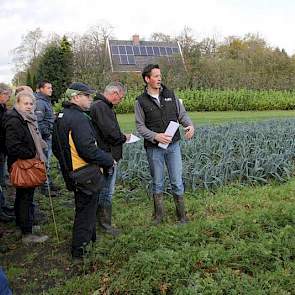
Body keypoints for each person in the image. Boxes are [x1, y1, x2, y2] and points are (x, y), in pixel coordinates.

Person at [52, 82, 114, 259]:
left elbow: (57, 148)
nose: (90, 99)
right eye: (87, 96)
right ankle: (80, 252)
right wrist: (108, 160)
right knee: (86, 212)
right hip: (84, 173)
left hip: (72, 173)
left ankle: (90, 240)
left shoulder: (62, 116)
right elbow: (88, 149)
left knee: (85, 208)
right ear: (76, 97)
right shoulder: (78, 118)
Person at [135, 64, 195, 224]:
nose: (159, 78)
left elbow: (181, 114)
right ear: (147, 79)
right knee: (158, 182)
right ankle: (159, 216)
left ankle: (182, 216)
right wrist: (156, 136)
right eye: (155, 76)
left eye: (160, 75)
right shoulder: (140, 101)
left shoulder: (170, 94)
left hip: (173, 146)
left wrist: (189, 125)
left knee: (177, 181)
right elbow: (140, 126)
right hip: (154, 149)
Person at [3, 91, 49, 244]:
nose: (29, 107)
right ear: (18, 104)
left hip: (25, 162)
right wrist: (32, 152)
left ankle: (23, 224)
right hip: (21, 164)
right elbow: (12, 146)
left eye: (31, 104)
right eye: (25, 103)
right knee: (25, 197)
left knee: (24, 196)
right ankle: (27, 233)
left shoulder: (25, 119)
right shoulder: (14, 120)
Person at [90, 82, 131, 237]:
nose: (120, 101)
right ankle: (105, 225)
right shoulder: (101, 107)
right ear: (114, 93)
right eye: (120, 97)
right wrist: (123, 137)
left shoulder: (100, 106)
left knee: (103, 190)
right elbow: (110, 133)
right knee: (106, 191)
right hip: (107, 155)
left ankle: (99, 223)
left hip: (105, 154)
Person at [34, 80, 57, 196]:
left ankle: (48, 182)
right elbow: (39, 122)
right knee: (44, 162)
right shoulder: (39, 102)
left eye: (51, 87)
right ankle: (45, 187)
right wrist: (47, 134)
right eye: (48, 88)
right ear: (41, 89)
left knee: (47, 161)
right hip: (44, 138)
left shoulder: (46, 101)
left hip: (48, 136)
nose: (51, 90)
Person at [0, 83, 14, 222]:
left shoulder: (3, 108)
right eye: (7, 95)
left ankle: (3, 205)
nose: (8, 98)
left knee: (2, 181)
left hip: (3, 150)